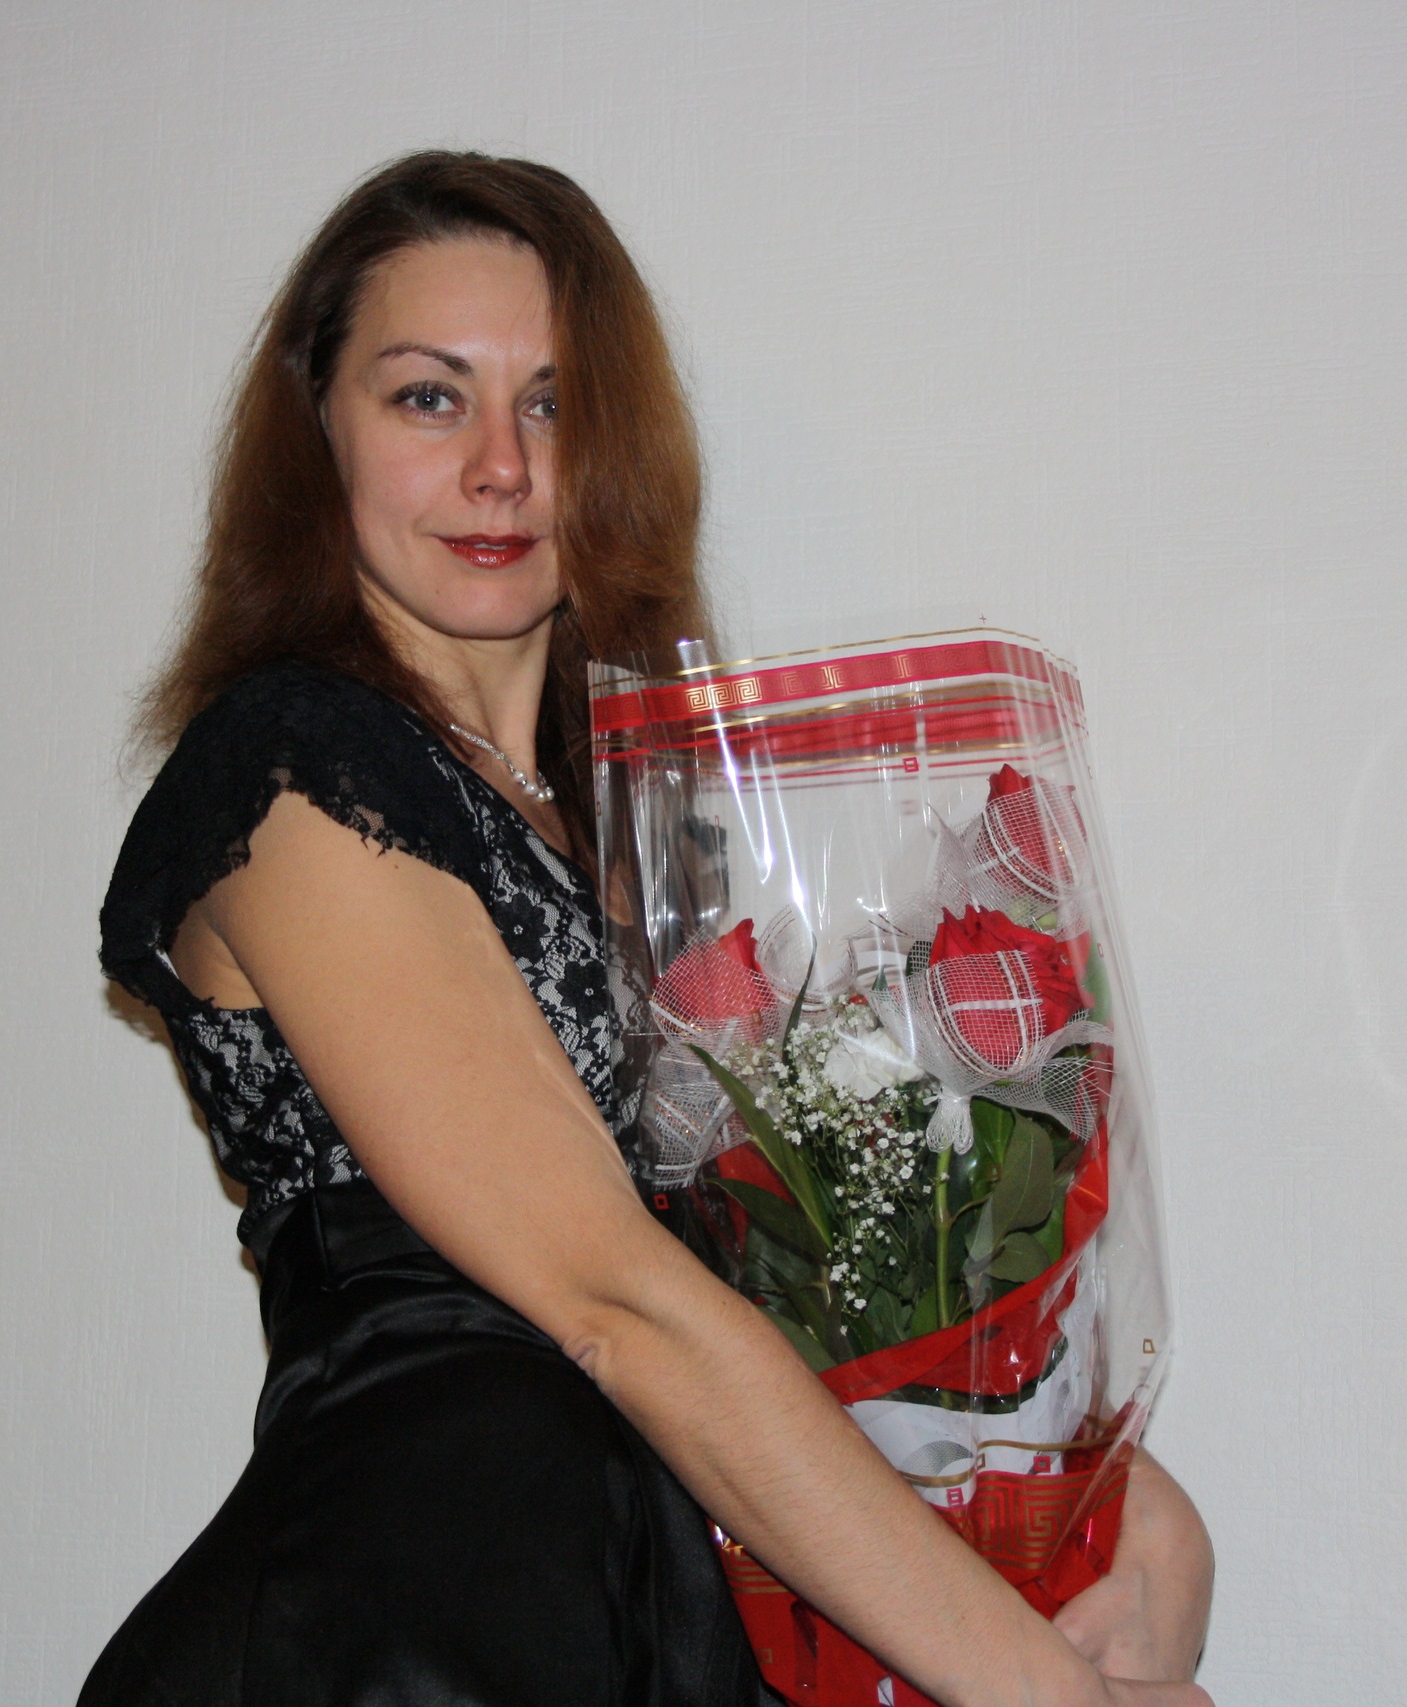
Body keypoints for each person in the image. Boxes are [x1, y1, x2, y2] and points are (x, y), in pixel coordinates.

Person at [86, 152, 1214, 1707]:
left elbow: (759, 1297)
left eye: (554, 406)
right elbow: (621, 1304)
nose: (502, 465)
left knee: (1149, 1539)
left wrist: (1062, 1492)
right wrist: (1040, 1693)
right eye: (429, 397)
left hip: (653, 1600)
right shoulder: (296, 771)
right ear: (316, 435)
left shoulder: (648, 834)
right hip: (406, 1621)